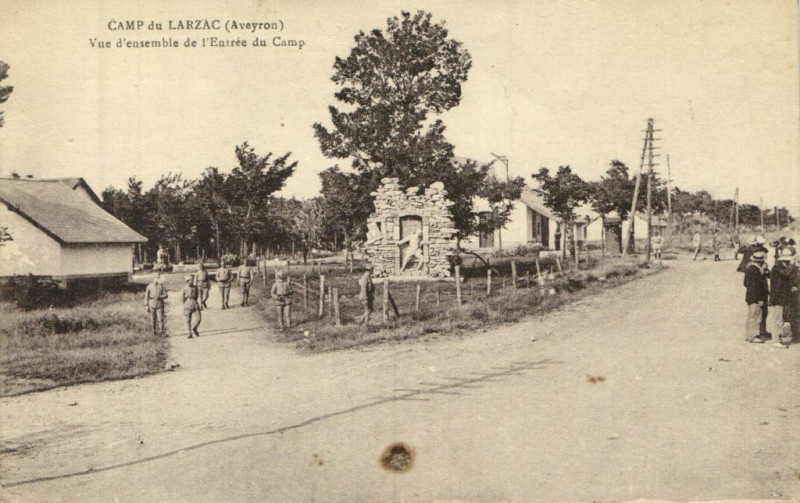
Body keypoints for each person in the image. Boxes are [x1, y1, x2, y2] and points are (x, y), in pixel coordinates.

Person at [768, 248, 794, 348]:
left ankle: (777, 338)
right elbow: (785, 274)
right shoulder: (779, 268)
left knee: (778, 319)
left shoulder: (779, 266)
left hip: (779, 298)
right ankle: (775, 340)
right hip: (778, 298)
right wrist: (791, 266)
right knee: (777, 320)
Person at [743, 251, 769, 343]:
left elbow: (746, 283)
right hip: (756, 297)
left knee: (750, 316)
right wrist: (761, 299)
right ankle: (753, 336)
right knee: (756, 316)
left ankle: (748, 334)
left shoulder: (750, 269)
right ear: (760, 261)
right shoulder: (756, 270)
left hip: (750, 296)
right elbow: (759, 286)